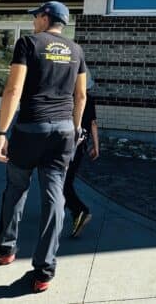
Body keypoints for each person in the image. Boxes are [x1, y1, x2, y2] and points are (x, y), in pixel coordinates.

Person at [0, 1, 87, 294]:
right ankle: (44, 271)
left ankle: (5, 249)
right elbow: (81, 96)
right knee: (54, 196)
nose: (32, 23)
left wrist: (2, 132)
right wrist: (76, 129)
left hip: (30, 129)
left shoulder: (28, 43)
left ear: (45, 18)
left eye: (35, 17)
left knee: (16, 187)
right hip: (64, 130)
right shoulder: (76, 50)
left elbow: (13, 89)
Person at [63, 70, 100, 238]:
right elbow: (93, 124)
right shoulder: (90, 100)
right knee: (66, 179)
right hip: (81, 145)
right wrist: (96, 147)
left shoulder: (68, 98)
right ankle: (59, 208)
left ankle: (79, 211)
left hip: (68, 144)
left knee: (62, 183)